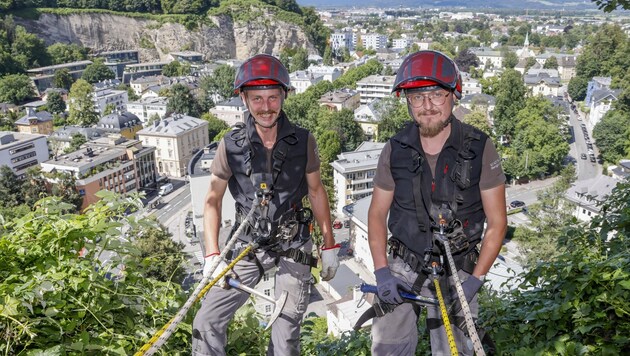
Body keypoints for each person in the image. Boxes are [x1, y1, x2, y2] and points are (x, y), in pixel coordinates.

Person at [192, 54, 340, 355]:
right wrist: (212, 254)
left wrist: (328, 246)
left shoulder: (303, 142)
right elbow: (212, 200)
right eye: (257, 99)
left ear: (284, 96)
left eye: (273, 97)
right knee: (206, 321)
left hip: (293, 244)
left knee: (285, 339)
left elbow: (316, 191)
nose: (266, 107)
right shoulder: (231, 146)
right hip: (249, 244)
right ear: (244, 99)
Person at [367, 50, 507, 355]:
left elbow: (497, 223)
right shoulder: (394, 149)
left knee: (454, 350)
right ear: (406, 100)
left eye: (436, 94)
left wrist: (475, 279)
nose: (427, 105)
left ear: (453, 96)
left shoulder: (480, 148)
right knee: (387, 347)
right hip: (403, 264)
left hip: (459, 266)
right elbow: (377, 214)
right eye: (417, 97)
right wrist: (382, 272)